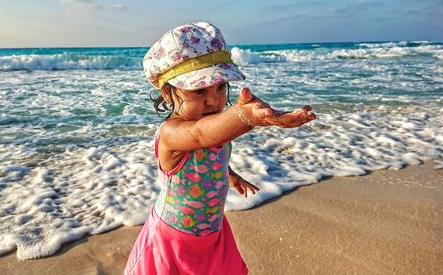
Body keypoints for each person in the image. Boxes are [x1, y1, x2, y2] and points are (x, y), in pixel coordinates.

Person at [123, 22, 316, 275]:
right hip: (173, 239)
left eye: (220, 86)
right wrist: (245, 116)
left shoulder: (214, 128)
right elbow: (200, 135)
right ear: (168, 93)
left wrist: (231, 175)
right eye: (199, 89)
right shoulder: (171, 133)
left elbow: (213, 156)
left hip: (213, 233)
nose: (214, 100)